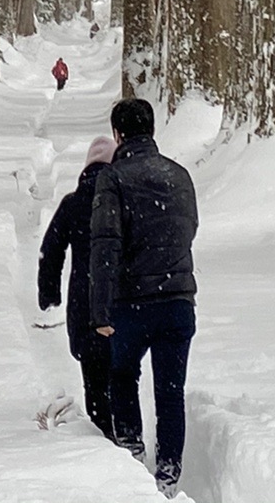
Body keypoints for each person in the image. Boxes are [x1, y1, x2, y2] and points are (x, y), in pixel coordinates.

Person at [89, 98, 198, 497]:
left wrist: (99, 310)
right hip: (177, 302)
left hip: (131, 303)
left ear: (118, 135)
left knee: (122, 376)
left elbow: (105, 248)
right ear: (151, 130)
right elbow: (189, 229)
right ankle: (168, 476)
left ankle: (132, 455)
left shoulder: (114, 178)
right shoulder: (180, 175)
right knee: (171, 393)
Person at [36, 136, 117, 436]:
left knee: (93, 375)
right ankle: (126, 435)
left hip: (84, 302)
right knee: (121, 374)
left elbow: (51, 250)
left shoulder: (74, 202)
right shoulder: (122, 199)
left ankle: (101, 433)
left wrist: (49, 294)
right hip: (120, 301)